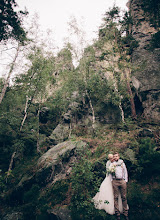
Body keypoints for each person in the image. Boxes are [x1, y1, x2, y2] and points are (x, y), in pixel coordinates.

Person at [111, 152, 129, 220]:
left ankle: (125, 213)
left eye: (116, 156)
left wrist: (125, 180)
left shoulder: (122, 163)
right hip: (115, 181)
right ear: (113, 157)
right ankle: (117, 213)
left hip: (122, 181)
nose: (115, 157)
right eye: (114, 156)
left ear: (118, 157)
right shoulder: (112, 164)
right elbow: (110, 173)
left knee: (124, 197)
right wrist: (112, 180)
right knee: (115, 197)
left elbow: (125, 172)